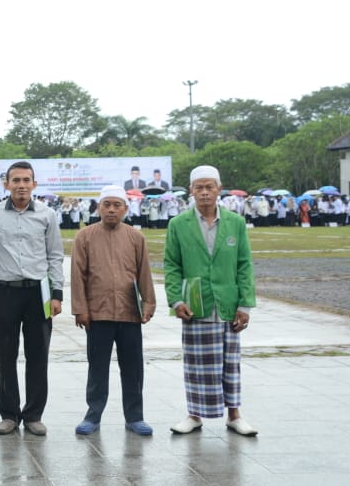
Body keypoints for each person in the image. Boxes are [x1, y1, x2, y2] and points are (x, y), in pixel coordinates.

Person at [165, 165, 258, 436]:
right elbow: (171, 265)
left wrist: (244, 305)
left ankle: (234, 415)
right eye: (199, 188)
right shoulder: (178, 224)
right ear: (191, 191)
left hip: (227, 303)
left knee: (230, 362)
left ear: (219, 189)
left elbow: (244, 264)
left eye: (209, 187)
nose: (204, 193)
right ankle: (194, 415)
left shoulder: (235, 222)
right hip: (195, 303)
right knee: (195, 362)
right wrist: (175, 300)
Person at [0, 161, 64, 436]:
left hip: (39, 293)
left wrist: (57, 294)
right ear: (6, 184)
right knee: (6, 355)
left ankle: (34, 414)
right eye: (16, 180)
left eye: (27, 180)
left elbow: (55, 256)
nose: (21, 185)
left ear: (34, 184)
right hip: (5, 292)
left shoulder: (47, 215)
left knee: (38, 355)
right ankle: (9, 414)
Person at [70, 185, 156, 436]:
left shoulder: (135, 237)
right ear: (98, 208)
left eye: (116, 205)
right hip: (98, 314)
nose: (111, 210)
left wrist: (148, 304)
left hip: (130, 313)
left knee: (133, 367)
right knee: (97, 367)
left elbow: (144, 274)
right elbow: (78, 275)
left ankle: (135, 416)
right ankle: (93, 415)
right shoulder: (85, 236)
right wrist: (80, 309)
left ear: (125, 209)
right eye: (106, 204)